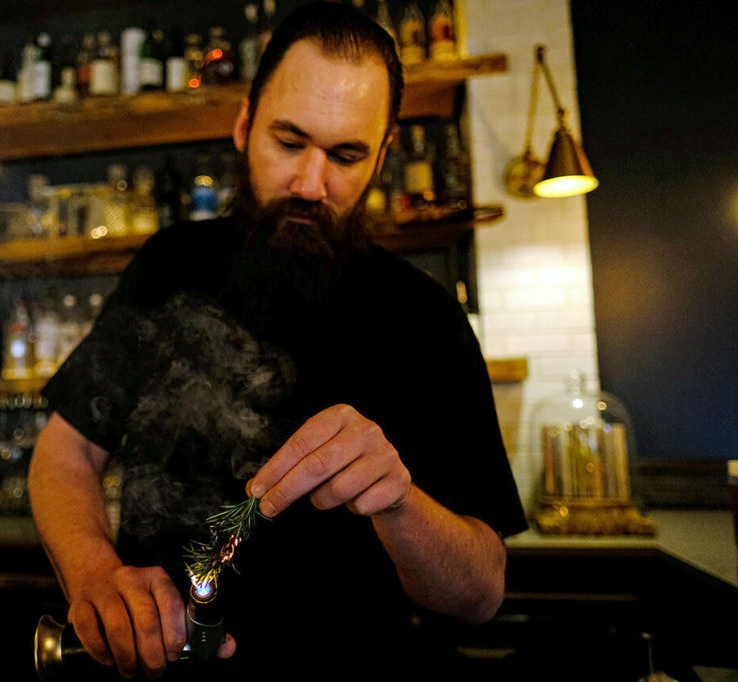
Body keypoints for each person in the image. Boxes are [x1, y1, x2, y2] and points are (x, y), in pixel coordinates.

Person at [29, 3, 526, 679]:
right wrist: (92, 571)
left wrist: (401, 501)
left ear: (383, 156)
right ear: (243, 125)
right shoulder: (170, 263)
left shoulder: (425, 316)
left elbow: (481, 592)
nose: (310, 183)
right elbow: (67, 449)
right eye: (289, 143)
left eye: (346, 155)